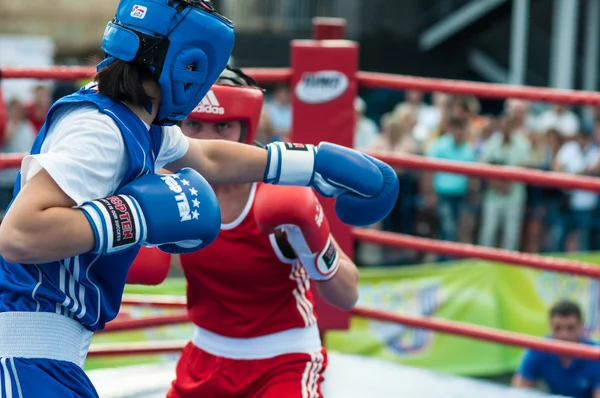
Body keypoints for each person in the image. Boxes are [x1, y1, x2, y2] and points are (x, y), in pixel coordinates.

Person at [0, 1, 399, 397]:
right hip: (28, 353)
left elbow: (207, 156)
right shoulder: (101, 130)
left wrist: (311, 163)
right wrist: (137, 215)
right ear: (185, 63)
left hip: (51, 356)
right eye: (200, 69)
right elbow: (18, 235)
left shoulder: (139, 118)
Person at [130, 68, 360, 397]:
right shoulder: (166, 188)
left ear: (245, 129)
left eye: (222, 126)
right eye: (194, 125)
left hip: (285, 360)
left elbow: (347, 295)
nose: (207, 140)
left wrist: (314, 240)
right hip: (205, 359)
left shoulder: (280, 194)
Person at [512, 300, 600, 398]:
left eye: (570, 328)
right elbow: (519, 388)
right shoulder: (539, 348)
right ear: (549, 326)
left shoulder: (595, 354)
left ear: (581, 326)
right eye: (558, 328)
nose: (564, 334)